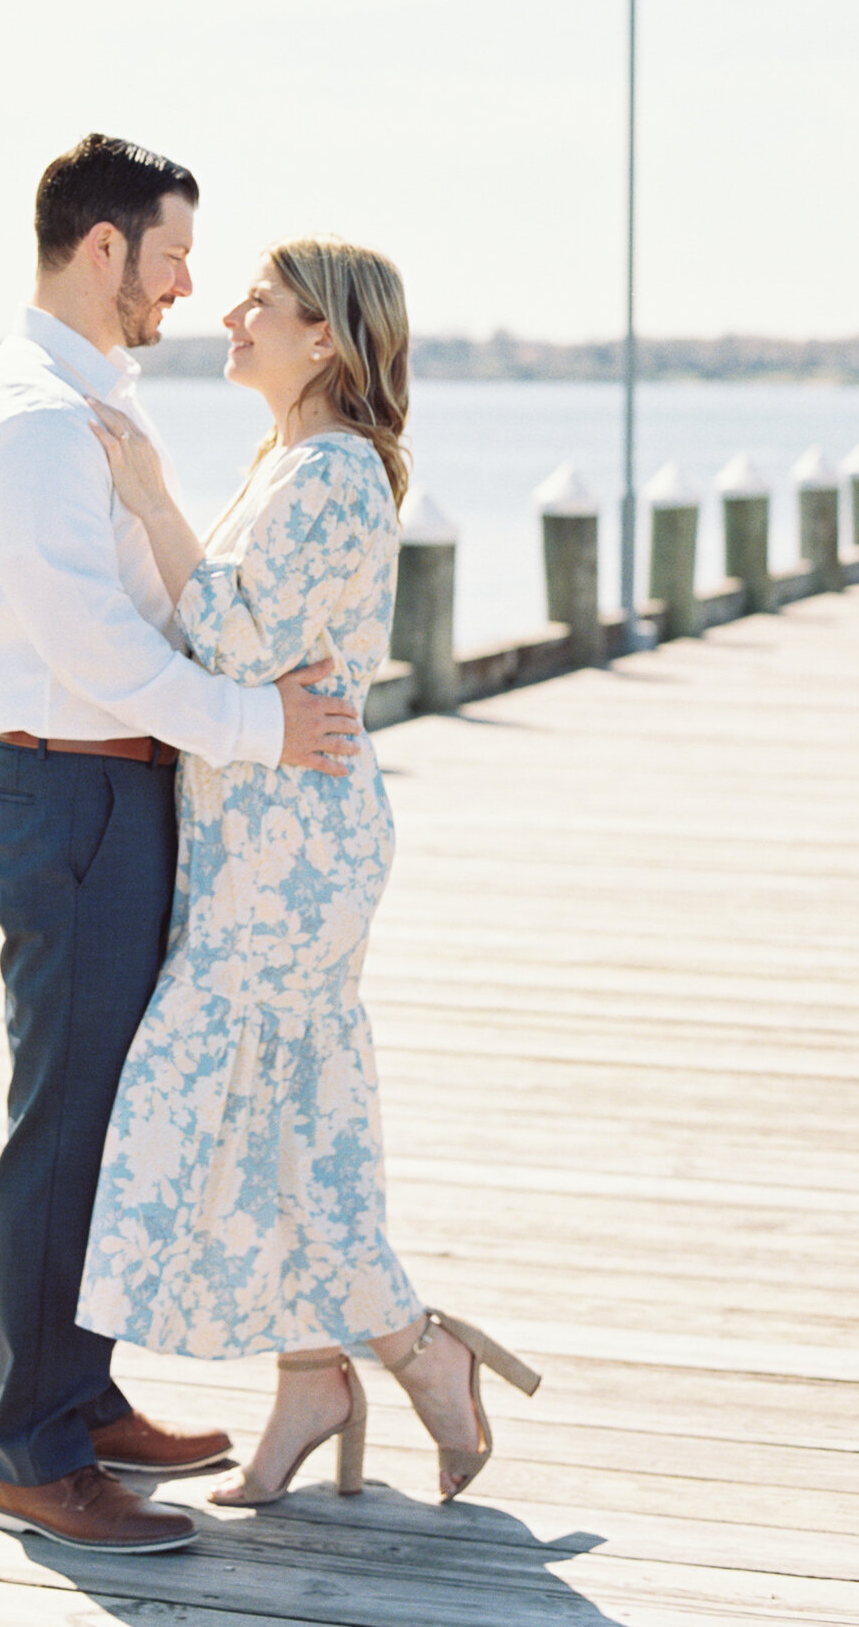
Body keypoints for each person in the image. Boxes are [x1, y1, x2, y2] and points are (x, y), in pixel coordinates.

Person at [76, 237, 541, 1507]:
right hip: (263, 834)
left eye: (261, 304)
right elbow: (231, 635)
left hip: (294, 848)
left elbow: (226, 635)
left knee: (241, 1095)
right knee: (284, 1113)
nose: (229, 313)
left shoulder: (329, 473)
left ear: (324, 336)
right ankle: (312, 1378)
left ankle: (412, 1349)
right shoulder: (286, 462)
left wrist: (150, 499)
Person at [0, 137, 363, 1555]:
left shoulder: (92, 406)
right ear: (106, 247)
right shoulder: (36, 423)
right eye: (176, 253)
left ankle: (81, 1394)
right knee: (63, 1127)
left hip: (119, 795)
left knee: (104, 1115)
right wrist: (260, 731)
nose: (189, 286)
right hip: (65, 793)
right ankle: (32, 1452)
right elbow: (96, 648)